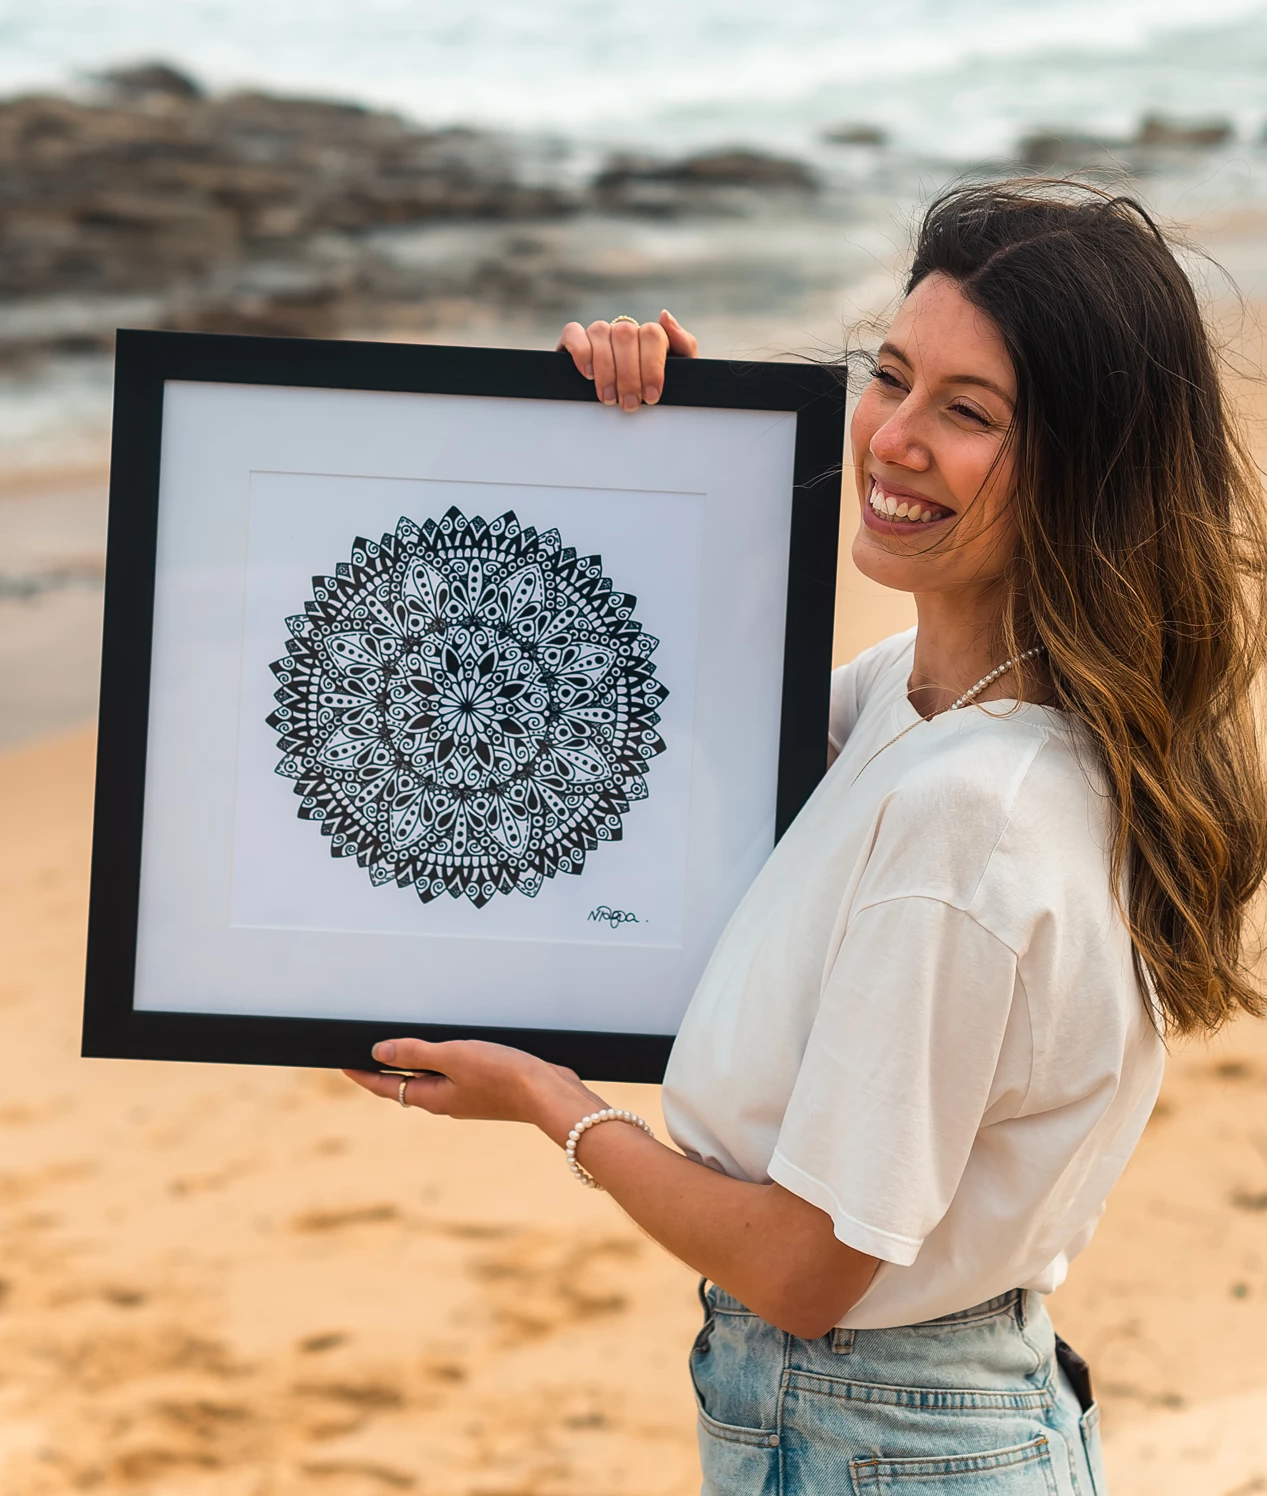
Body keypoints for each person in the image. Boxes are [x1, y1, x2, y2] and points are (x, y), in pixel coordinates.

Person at [345, 182, 1267, 1493]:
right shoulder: (921, 689)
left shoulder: (971, 819)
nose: (892, 438)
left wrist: (555, 1110)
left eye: (967, 413)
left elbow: (798, 1268)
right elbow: (678, 735)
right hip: (902, 1422)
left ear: (1082, 464)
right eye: (888, 378)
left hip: (881, 1442)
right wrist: (667, 442)